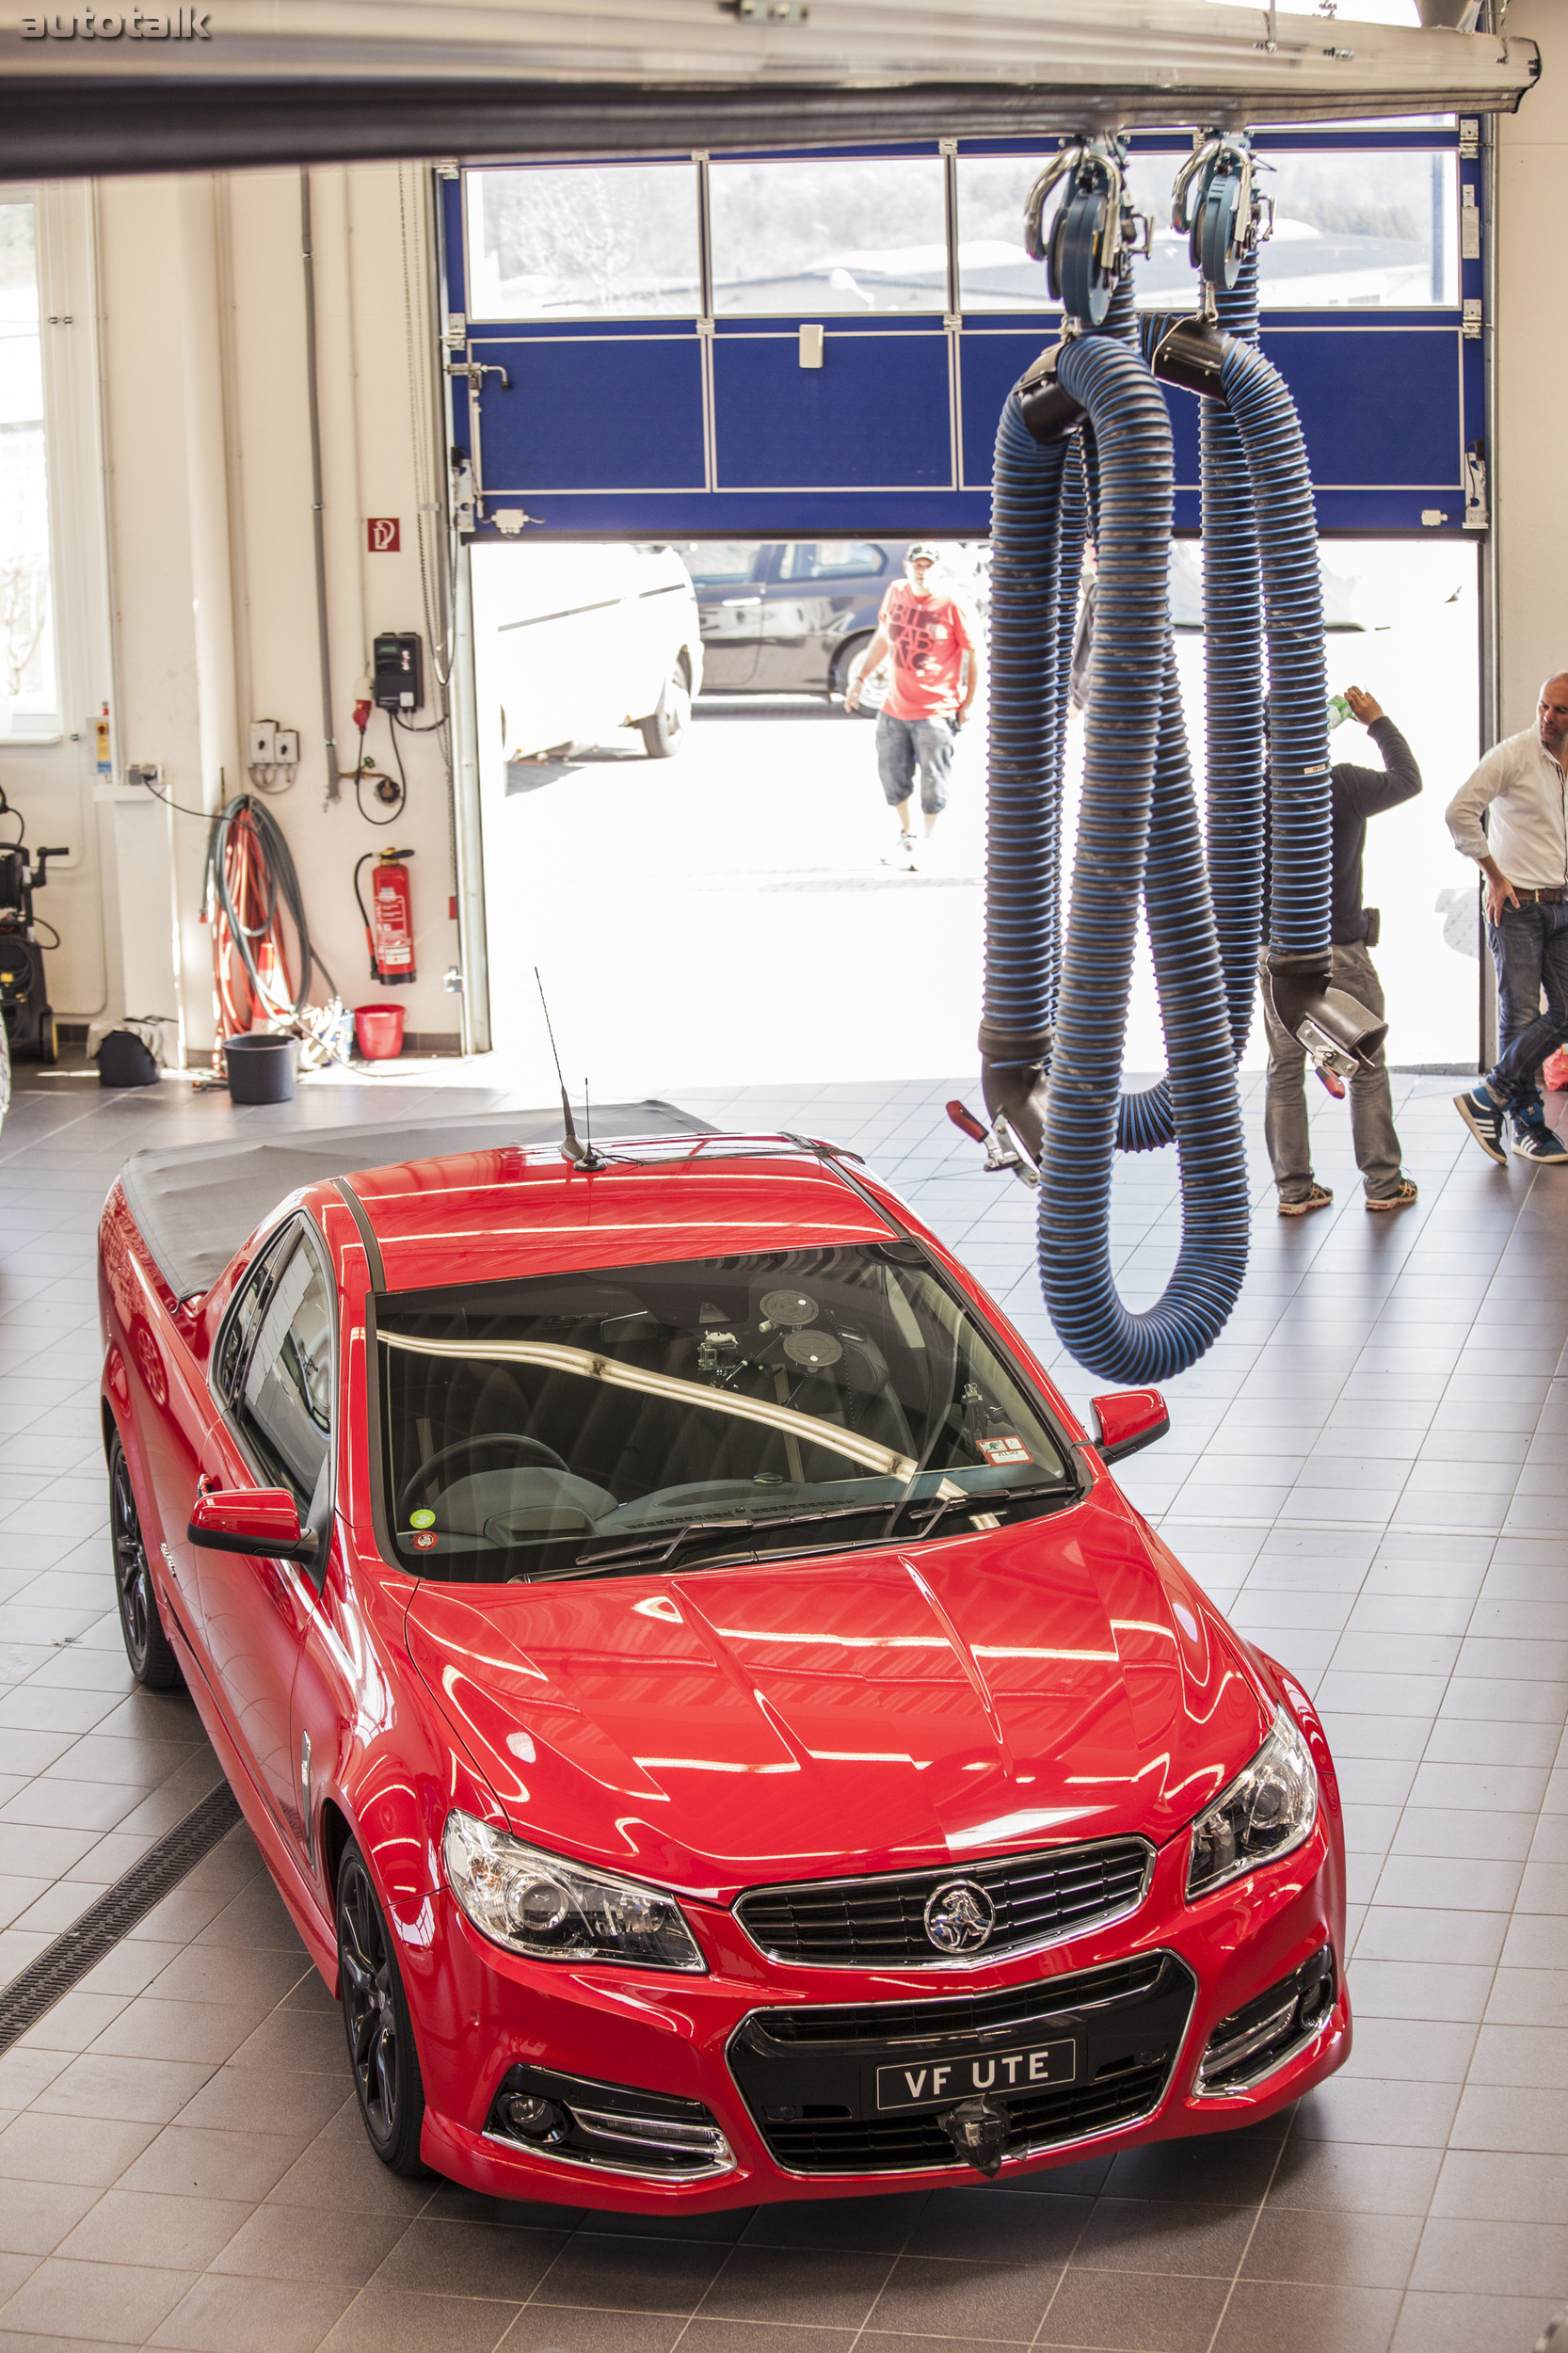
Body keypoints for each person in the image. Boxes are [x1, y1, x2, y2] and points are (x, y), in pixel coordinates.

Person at [1260, 686, 1422, 1216]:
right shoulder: (1344, 783)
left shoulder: (1247, 790)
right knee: (1365, 1061)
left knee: (1284, 1067)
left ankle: (1293, 1191)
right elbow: (1408, 780)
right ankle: (1382, 1186)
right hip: (1340, 952)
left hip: (1277, 953)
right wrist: (1376, 720)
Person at [1447, 672, 1568, 1167]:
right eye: (1544, 706)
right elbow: (1459, 812)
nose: (1548, 718)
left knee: (1564, 1011)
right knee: (1519, 1016)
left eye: (1560, 711)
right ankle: (1528, 1124)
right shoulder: (1515, 754)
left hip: (1562, 903)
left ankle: (1488, 1095)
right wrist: (1493, 876)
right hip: (1514, 904)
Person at [845, 544, 981, 871]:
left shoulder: (952, 603)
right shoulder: (896, 592)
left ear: (938, 568)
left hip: (935, 708)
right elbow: (883, 636)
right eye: (917, 565)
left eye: (928, 565)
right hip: (894, 706)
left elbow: (973, 652)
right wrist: (860, 678)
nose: (923, 571)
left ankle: (930, 841)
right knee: (893, 775)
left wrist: (969, 701)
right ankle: (907, 835)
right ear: (907, 566)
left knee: (934, 781)